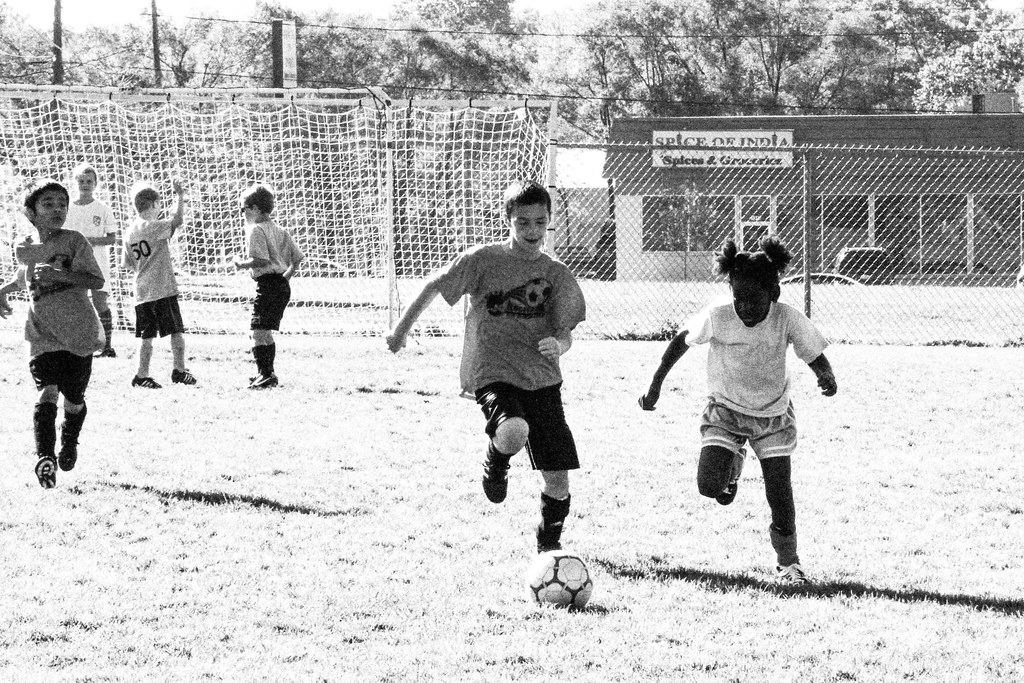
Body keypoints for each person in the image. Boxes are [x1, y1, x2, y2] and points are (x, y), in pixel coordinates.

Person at [386, 180, 587, 553]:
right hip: (493, 371)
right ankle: (497, 459)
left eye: (540, 222)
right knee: (514, 429)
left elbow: (566, 333)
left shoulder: (557, 274)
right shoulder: (483, 260)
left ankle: (549, 546)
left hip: (543, 379)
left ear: (549, 222)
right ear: (507, 218)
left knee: (558, 479)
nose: (532, 231)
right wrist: (400, 331)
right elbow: (434, 285)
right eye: (523, 222)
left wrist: (558, 344)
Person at [639, 236, 838, 585]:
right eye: (737, 298)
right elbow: (680, 341)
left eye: (753, 300)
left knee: (779, 491)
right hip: (725, 410)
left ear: (773, 293)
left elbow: (813, 352)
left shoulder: (787, 318)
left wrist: (825, 374)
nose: (744, 307)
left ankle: (789, 564)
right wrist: (655, 384)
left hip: (771, 415)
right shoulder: (719, 315)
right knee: (708, 487)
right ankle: (732, 466)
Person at [0, 179, 105, 488]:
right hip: (42, 334)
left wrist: (64, 274)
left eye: (62, 203)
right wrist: (2, 291)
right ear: (30, 212)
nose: (57, 208)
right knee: (47, 390)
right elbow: (24, 279)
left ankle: (69, 441)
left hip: (77, 333)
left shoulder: (74, 241)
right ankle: (44, 457)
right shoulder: (26, 245)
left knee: (73, 399)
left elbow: (95, 281)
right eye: (48, 203)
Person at [122, 179, 197, 388]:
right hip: (162, 288)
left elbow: (126, 264)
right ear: (154, 204)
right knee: (176, 332)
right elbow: (177, 220)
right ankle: (179, 371)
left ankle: (141, 374)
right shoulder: (154, 226)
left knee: (146, 337)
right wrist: (180, 196)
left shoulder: (129, 232)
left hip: (142, 291)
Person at [233, 183, 304, 389]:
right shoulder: (281, 230)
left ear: (254, 208)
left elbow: (261, 260)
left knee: (257, 331)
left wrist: (240, 264)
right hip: (280, 285)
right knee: (264, 331)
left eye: (243, 209)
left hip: (267, 285)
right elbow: (298, 259)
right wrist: (285, 278)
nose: (242, 214)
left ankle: (267, 374)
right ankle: (264, 372)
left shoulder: (256, 229)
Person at [65, 162, 118, 358]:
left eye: (89, 181)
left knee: (100, 302)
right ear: (75, 182)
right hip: (74, 263)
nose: (85, 184)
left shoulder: (102, 208)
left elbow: (112, 238)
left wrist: (89, 240)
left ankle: (108, 346)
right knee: (75, 302)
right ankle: (77, 345)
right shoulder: (68, 208)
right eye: (81, 181)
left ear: (96, 184)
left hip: (98, 262)